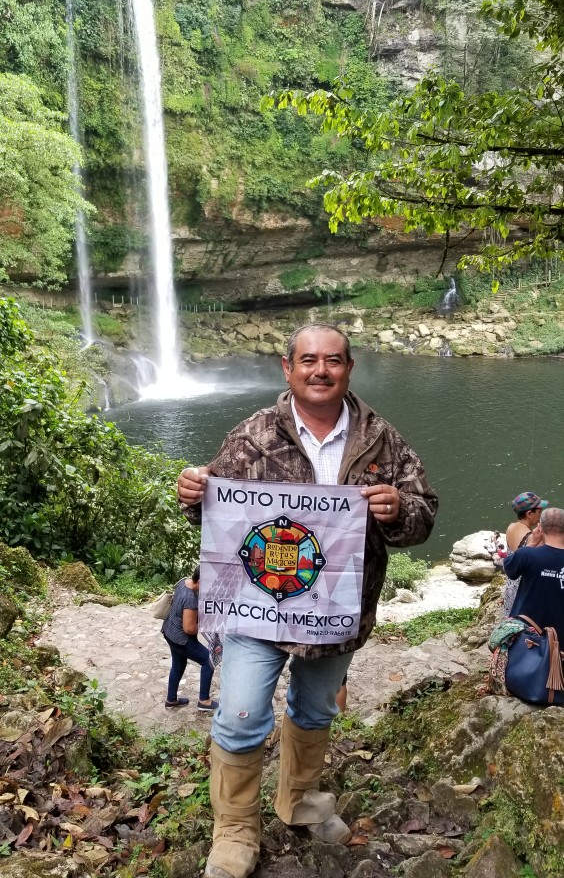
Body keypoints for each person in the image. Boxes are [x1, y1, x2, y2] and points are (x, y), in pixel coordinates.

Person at [177, 323, 438, 878]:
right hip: (258, 608)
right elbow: (217, 515)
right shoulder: (252, 435)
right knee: (241, 712)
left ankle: (298, 800)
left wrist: (399, 510)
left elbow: (423, 513)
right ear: (287, 367)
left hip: (337, 610)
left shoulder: (380, 439)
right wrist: (194, 495)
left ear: (349, 368)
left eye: (334, 361)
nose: (321, 371)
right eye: (309, 361)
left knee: (315, 708)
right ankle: (235, 831)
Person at [162, 567, 219, 712]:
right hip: (181, 638)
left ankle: (171, 700)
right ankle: (204, 701)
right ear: (199, 581)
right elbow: (189, 628)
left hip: (170, 631)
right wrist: (207, 623)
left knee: (178, 665)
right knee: (208, 660)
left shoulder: (184, 582)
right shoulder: (190, 599)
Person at [504, 507, 564, 640]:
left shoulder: (527, 555)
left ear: (540, 529)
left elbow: (509, 568)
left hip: (529, 639)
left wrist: (531, 543)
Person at [502, 492, 549, 615]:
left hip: (510, 590)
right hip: (524, 593)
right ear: (529, 514)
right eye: (539, 511)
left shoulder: (511, 527)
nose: (541, 514)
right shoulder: (531, 539)